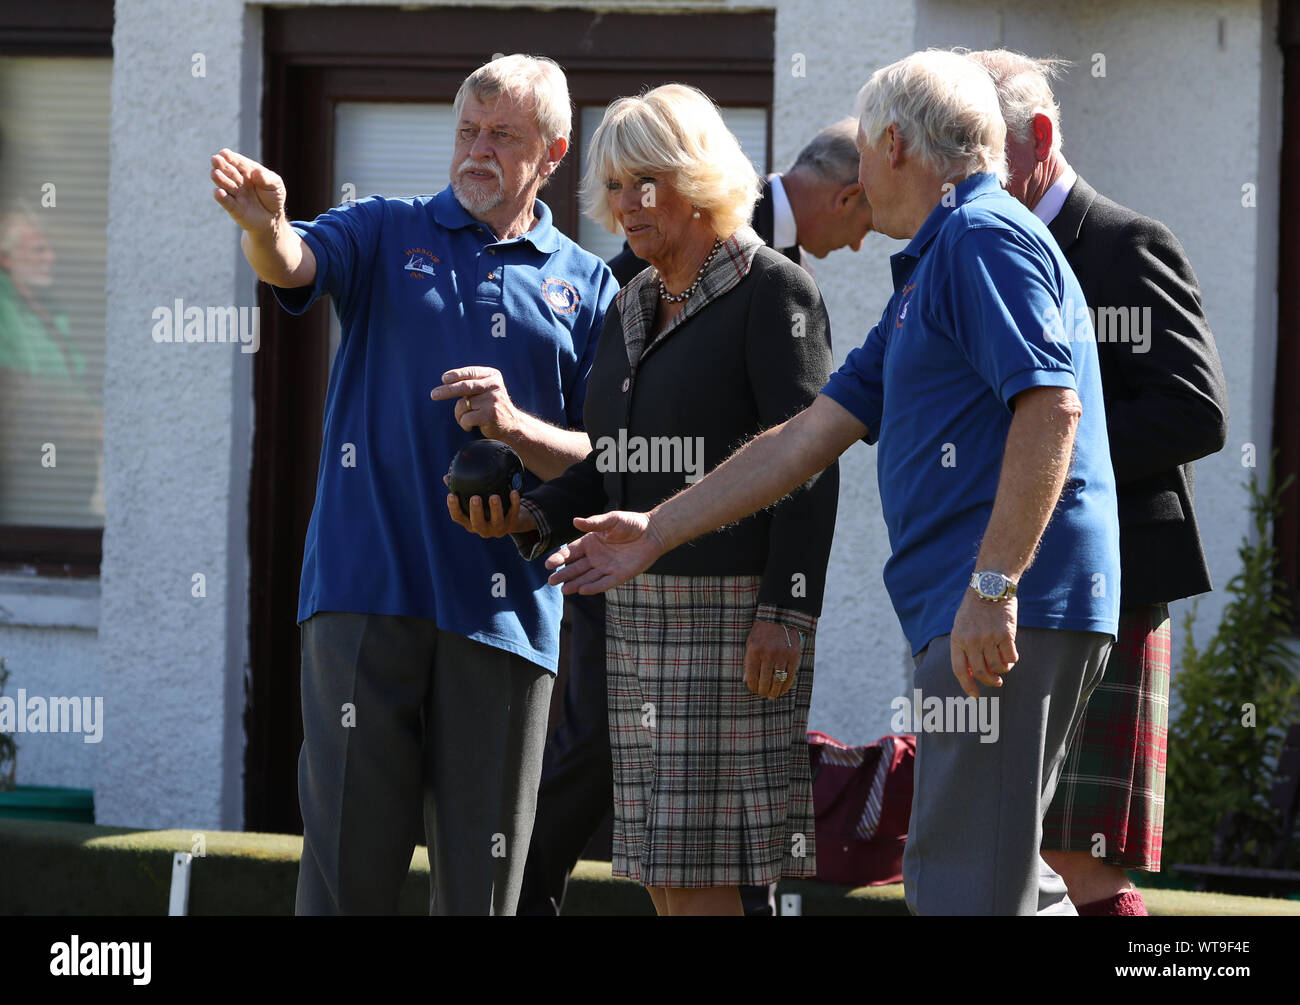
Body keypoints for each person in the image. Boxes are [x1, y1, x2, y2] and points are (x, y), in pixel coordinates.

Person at [545, 50, 1123, 916]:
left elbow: (1052, 408)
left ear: (892, 144)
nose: (851, 172)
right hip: (989, 603)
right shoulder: (938, 259)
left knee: (963, 882)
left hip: (1005, 603)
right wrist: (657, 528)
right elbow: (807, 437)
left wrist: (995, 581)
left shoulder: (980, 237)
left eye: (860, 147)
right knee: (1003, 878)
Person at [209, 54, 616, 915]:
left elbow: (601, 456)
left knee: (484, 894)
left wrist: (513, 427)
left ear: (553, 149)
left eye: (503, 135)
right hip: (364, 594)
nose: (478, 151)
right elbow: (294, 263)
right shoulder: (385, 229)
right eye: (467, 130)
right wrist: (265, 228)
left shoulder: (589, 283)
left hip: (506, 614)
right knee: (345, 882)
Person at [449, 83, 839, 916]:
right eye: (616, 186)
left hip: (733, 624)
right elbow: (612, 464)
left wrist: (787, 612)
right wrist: (532, 512)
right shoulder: (629, 299)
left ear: (698, 181)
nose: (625, 205)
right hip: (634, 624)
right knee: (665, 877)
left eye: (645, 184)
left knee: (710, 883)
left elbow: (810, 462)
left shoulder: (774, 291)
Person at [968, 48, 1228, 916]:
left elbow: (1197, 411)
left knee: (1078, 860)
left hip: (1104, 583)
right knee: (1011, 849)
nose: (961, 168)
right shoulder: (978, 247)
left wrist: (1056, 457)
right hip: (1004, 581)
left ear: (1038, 137)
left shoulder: (1123, 244)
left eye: (979, 143)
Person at [606, 117, 872, 284]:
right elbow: (612, 296)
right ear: (847, 198)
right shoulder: (708, 219)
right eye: (867, 227)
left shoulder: (796, 267)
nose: (857, 245)